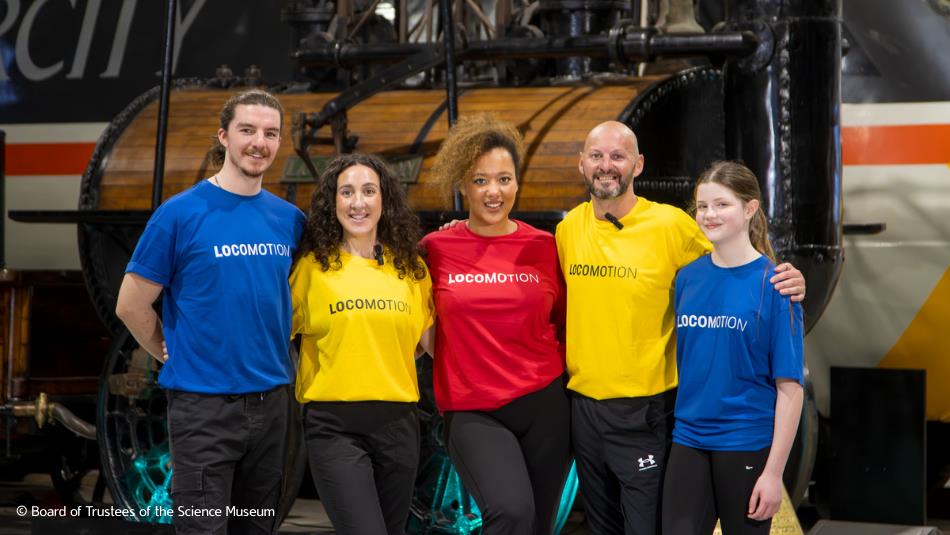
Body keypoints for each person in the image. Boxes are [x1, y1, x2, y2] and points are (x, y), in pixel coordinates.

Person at [554, 121, 806, 535]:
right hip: (587, 408)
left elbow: (733, 258)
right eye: (596, 156)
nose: (606, 166)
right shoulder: (568, 230)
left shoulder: (671, 226)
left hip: (649, 411)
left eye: (618, 156)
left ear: (638, 165)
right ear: (581, 164)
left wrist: (788, 280)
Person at [115, 89, 305, 535]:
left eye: (270, 133)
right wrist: (169, 350)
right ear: (223, 136)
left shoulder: (289, 220)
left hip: (273, 405)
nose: (259, 142)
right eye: (247, 130)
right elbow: (130, 303)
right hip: (203, 409)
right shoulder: (179, 214)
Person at [421, 114, 572, 535]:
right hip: (474, 411)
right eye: (481, 180)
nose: (493, 191)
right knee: (510, 512)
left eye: (504, 179)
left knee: (538, 525)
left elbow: (562, 325)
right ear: (463, 185)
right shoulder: (435, 248)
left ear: (517, 184)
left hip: (546, 407)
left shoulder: (545, 246)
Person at [290, 153, 433, 535]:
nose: (358, 203)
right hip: (334, 426)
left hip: (400, 425)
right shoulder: (310, 269)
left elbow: (432, 342)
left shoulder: (410, 269)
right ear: (332, 202)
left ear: (383, 200)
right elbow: (267, 336)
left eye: (369, 191)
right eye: (347, 192)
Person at [662, 160, 804, 534]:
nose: (709, 215)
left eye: (721, 204)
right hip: (688, 441)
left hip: (745, 445)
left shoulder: (776, 286)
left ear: (750, 208)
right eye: (703, 206)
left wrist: (773, 474)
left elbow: (790, 390)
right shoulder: (688, 279)